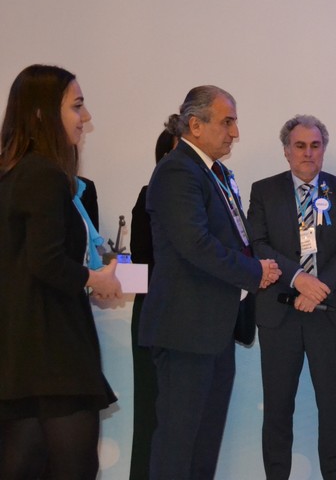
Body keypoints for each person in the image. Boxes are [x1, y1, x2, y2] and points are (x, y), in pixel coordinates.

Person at [138, 85, 281, 479]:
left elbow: (235, 237)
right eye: (227, 122)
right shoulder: (177, 171)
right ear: (195, 125)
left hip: (213, 329)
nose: (235, 133)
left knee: (204, 446)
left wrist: (260, 265)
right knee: (178, 446)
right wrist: (254, 272)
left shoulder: (214, 172)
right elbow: (195, 245)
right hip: (185, 330)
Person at [0, 64, 122, 479]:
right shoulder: (44, 174)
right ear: (41, 113)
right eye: (77, 106)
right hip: (54, 353)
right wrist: (94, 279)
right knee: (73, 467)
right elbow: (46, 260)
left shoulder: (15, 172)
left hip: (26, 352)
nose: (85, 117)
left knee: (24, 464)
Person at [247, 114, 336, 480]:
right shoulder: (263, 191)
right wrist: (299, 279)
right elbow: (257, 243)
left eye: (315, 145)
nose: (308, 153)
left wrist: (318, 287)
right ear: (286, 150)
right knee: (277, 409)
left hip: (330, 312)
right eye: (300, 146)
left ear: (324, 149)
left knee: (332, 407)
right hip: (278, 313)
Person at [128, 113, 180, 480]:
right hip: (156, 316)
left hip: (195, 321)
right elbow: (142, 265)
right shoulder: (148, 198)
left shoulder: (213, 196)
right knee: (151, 411)